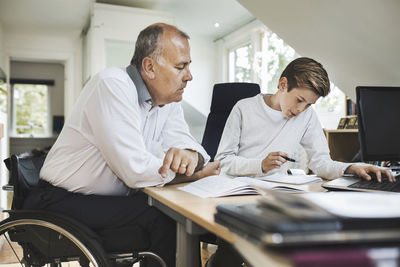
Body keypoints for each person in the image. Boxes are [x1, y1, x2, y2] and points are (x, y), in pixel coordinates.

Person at [24, 23, 220, 267]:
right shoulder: (112, 85)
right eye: (181, 66)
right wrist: (194, 173)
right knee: (164, 218)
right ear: (149, 67)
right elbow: (135, 171)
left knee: (168, 212)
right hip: (60, 200)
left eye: (188, 66)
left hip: (101, 200)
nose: (189, 76)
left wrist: (191, 156)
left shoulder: (168, 102)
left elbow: (194, 147)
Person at [208, 57, 394, 267]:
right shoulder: (244, 108)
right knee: (233, 249)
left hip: (276, 196)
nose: (301, 110)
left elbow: (321, 163)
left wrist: (351, 167)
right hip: (237, 193)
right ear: (283, 84)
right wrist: (260, 165)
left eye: (309, 104)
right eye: (299, 100)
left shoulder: (307, 116)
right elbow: (223, 161)